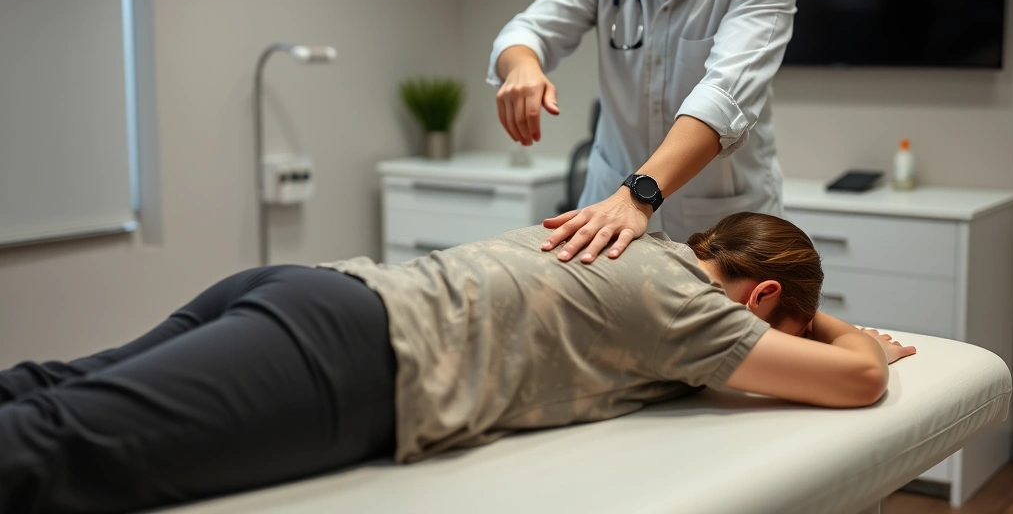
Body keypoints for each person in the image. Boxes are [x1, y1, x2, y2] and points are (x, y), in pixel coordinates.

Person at [0, 213, 915, 513]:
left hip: (313, 293)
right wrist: (840, 332)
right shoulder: (692, 308)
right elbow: (862, 380)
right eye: (785, 327)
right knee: (54, 450)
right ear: (762, 298)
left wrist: (794, 316)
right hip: (356, 359)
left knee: (49, 390)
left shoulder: (627, 242)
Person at [489, 0, 801, 264]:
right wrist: (522, 66)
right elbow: (527, 31)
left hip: (722, 232)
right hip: (607, 214)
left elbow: (722, 101)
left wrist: (636, 196)